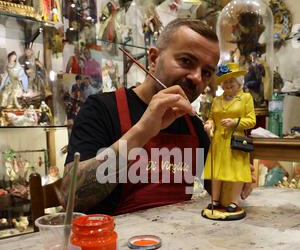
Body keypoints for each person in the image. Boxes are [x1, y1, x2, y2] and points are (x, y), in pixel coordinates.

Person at [62, 19, 253, 215]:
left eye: (206, 72)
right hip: (115, 242)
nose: (197, 77)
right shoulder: (101, 109)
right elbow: (70, 199)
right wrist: (142, 132)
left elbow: (217, 191)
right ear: (153, 59)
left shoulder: (194, 125)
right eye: (186, 61)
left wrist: (237, 172)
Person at [203, 62, 256, 212]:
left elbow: (252, 120)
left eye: (231, 81)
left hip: (235, 142)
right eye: (225, 81)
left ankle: (233, 201)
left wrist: (235, 122)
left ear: (239, 82)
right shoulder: (217, 100)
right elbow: (211, 118)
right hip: (218, 142)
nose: (227, 84)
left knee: (235, 173)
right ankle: (214, 200)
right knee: (216, 173)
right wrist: (209, 124)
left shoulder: (245, 98)